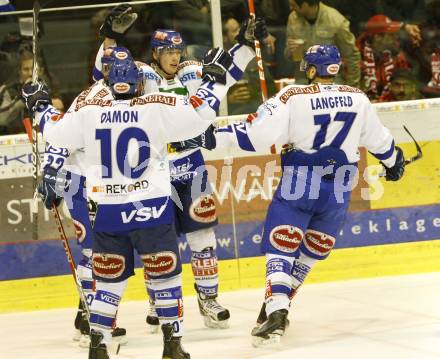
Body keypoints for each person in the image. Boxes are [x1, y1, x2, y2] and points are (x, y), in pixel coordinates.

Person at [22, 51, 223, 359]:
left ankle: (98, 343)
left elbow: (56, 131)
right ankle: (172, 344)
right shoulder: (156, 107)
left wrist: (39, 104)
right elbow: (202, 114)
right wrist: (214, 80)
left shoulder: (89, 111)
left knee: (107, 283)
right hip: (151, 211)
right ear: (138, 83)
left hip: (108, 213)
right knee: (165, 277)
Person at [213, 44, 405, 347]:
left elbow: (258, 136)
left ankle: (277, 308)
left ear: (311, 69)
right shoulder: (358, 97)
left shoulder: (291, 96)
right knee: (311, 251)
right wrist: (394, 162)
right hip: (340, 185)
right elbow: (380, 141)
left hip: (301, 180)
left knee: (282, 244)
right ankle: (281, 300)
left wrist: (214, 136)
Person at [93, 4, 265, 332]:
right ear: (154, 53)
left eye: (177, 50)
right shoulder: (140, 75)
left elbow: (223, 78)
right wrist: (111, 38)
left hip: (192, 167)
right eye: (166, 51)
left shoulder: (191, 71)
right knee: (158, 242)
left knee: (203, 236)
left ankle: (208, 299)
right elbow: (105, 72)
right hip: (154, 174)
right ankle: (159, 302)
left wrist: (242, 46)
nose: (174, 56)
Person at [284, 0, 361, 87]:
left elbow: (352, 55)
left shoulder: (335, 21)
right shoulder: (293, 18)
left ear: (306, 3)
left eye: (293, 5)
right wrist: (290, 51)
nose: (291, 8)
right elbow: (288, 55)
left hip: (331, 79)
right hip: (303, 79)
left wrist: (352, 87)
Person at [356, 14, 412, 101]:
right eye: (391, 35)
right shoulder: (355, 58)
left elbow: (406, 86)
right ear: (378, 37)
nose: (395, 37)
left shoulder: (397, 56)